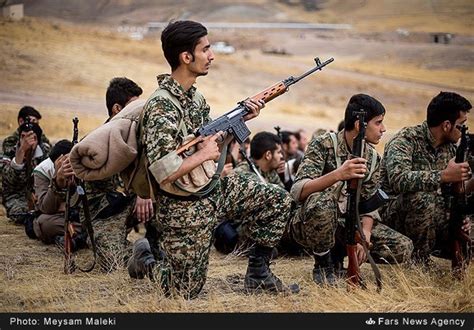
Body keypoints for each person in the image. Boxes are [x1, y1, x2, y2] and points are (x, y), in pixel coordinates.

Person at [141, 20, 295, 298]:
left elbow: (213, 145)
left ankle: (259, 274)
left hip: (213, 191)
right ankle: (147, 263)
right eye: (206, 49)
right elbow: (161, 170)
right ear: (186, 57)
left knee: (278, 199)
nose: (212, 55)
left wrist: (240, 122)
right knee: (184, 290)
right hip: (183, 206)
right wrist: (203, 153)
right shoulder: (162, 105)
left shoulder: (196, 98)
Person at [288, 94, 413, 285]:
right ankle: (323, 264)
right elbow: (298, 191)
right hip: (311, 222)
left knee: (403, 247)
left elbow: (369, 204)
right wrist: (338, 174)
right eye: (378, 122)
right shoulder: (323, 145)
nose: (383, 129)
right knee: (321, 202)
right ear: (359, 125)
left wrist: (365, 234)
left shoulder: (372, 159)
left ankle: (339, 255)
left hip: (350, 223)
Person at [380, 91, 473, 266]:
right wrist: (444, 175)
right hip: (393, 214)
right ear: (446, 125)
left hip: (430, 214)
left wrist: (460, 217)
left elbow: (450, 194)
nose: (463, 132)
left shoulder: (451, 149)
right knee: (421, 197)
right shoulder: (406, 140)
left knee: (463, 221)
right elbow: (398, 179)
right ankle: (420, 261)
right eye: (461, 126)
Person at [82, 77, 155, 273]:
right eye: (134, 105)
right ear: (117, 109)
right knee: (111, 261)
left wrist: (144, 192)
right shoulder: (94, 142)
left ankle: (163, 247)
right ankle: (145, 259)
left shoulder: (142, 135)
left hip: (134, 202)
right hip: (106, 212)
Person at [30, 140, 85, 249]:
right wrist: (57, 182)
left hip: (81, 214)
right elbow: (46, 208)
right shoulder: (43, 171)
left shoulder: (81, 165)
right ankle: (83, 235)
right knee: (42, 223)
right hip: (57, 217)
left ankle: (78, 235)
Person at [2, 106, 51, 224]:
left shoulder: (45, 151)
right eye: (23, 137)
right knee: (20, 214)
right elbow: (9, 182)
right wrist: (20, 156)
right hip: (17, 195)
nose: (27, 141)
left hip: (40, 194)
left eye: (31, 137)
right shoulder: (11, 149)